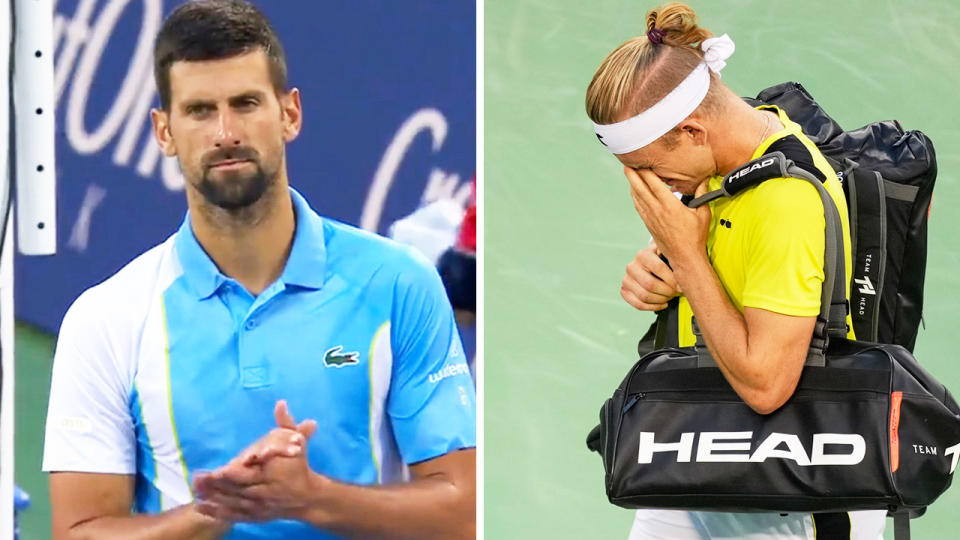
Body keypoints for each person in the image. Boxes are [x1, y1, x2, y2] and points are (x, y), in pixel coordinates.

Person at [41, 1, 476, 539]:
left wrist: (313, 499)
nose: (226, 133)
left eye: (245, 103)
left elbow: (464, 514)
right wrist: (223, 507)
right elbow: (76, 532)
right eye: (200, 110)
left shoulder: (399, 284)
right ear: (164, 131)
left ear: (289, 114)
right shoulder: (105, 317)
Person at [585, 3, 885, 539]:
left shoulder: (786, 202)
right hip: (695, 454)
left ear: (694, 131)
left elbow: (766, 385)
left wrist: (688, 255)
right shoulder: (732, 144)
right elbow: (727, 256)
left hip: (793, 497)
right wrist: (664, 268)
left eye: (648, 169)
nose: (648, 187)